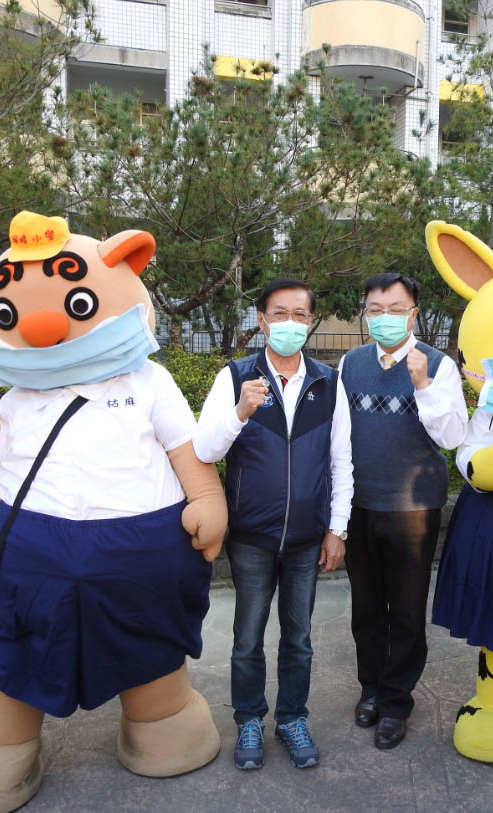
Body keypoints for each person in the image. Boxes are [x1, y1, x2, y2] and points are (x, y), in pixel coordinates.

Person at [193, 277, 353, 771]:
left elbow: (341, 461)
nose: (289, 323)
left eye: (299, 315)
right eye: (279, 314)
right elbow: (205, 449)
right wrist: (240, 411)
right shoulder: (235, 377)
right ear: (261, 321)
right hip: (252, 538)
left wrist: (337, 529)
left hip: (307, 539)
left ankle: (292, 719)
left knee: (298, 640)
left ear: (311, 322)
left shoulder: (328, 382)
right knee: (247, 639)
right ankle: (248, 720)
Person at [338, 273, 469, 750]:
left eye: (396, 309)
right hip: (360, 504)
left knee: (408, 609)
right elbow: (338, 438)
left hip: (413, 508)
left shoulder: (439, 365)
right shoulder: (350, 363)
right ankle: (371, 689)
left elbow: (453, 437)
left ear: (414, 313)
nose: (385, 317)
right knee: (366, 607)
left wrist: (423, 385)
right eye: (375, 309)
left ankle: (396, 702)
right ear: (365, 314)